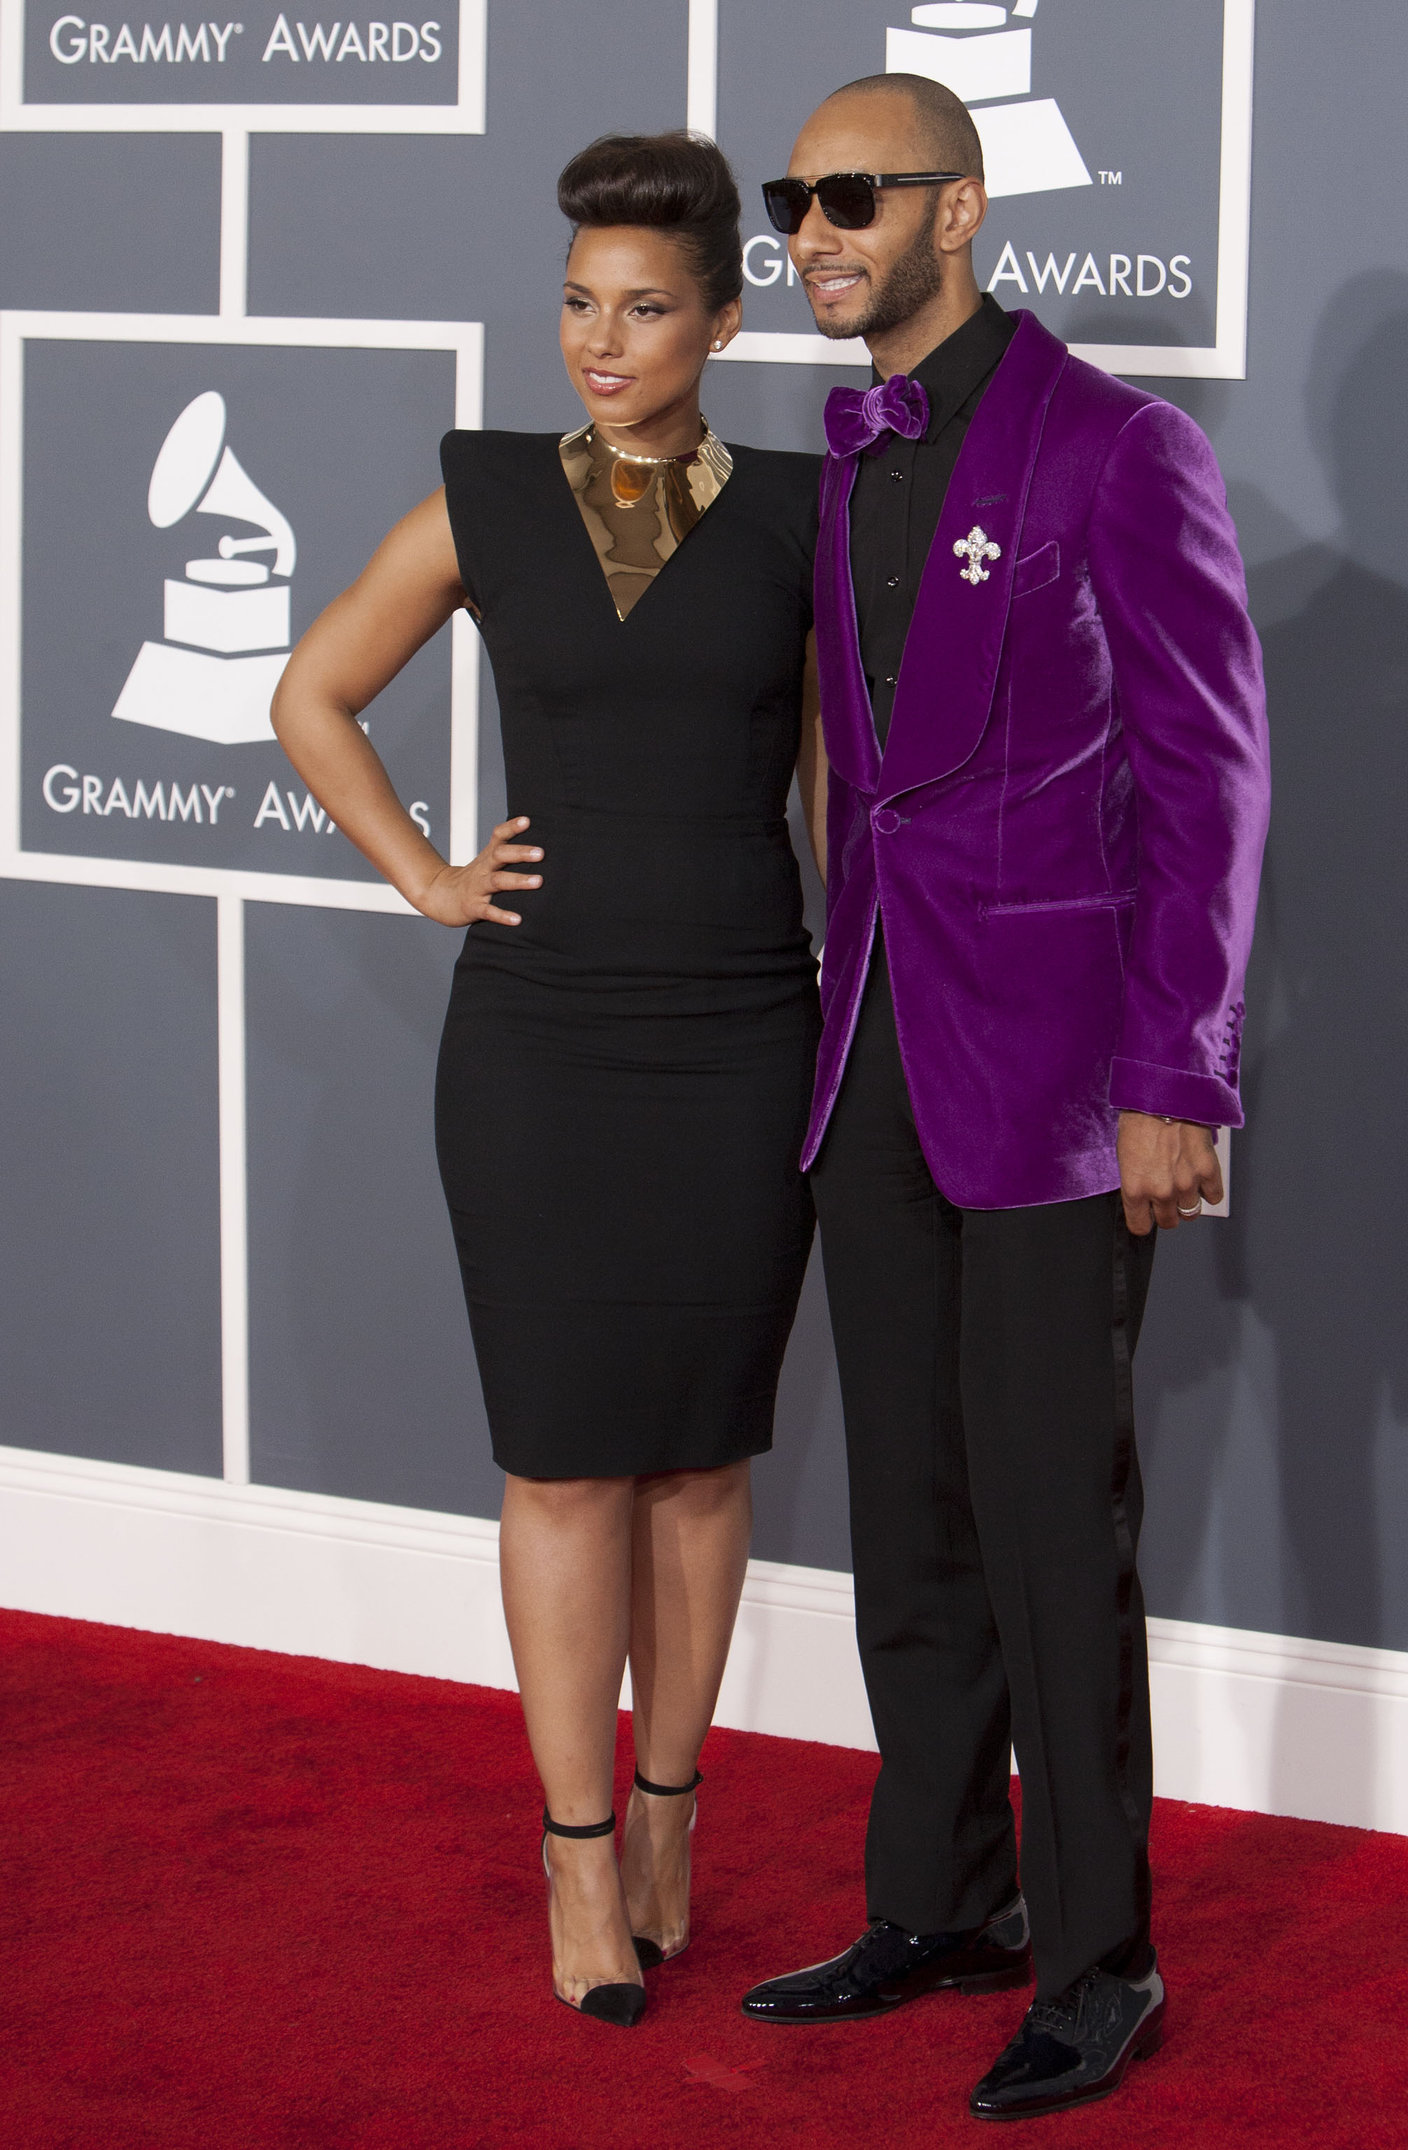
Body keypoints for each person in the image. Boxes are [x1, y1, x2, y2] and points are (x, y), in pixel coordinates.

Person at [739, 75, 1269, 2121]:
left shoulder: (1113, 444)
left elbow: (1209, 789)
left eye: (850, 196)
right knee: (912, 1509)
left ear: (956, 210)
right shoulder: (845, 446)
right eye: (794, 200)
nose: (810, 231)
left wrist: (1176, 1074)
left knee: (1055, 1525)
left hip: (1062, 1078)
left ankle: (1096, 1953)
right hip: (867, 1046)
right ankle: (938, 1898)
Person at [271, 131, 825, 2030]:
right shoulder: (486, 493)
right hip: (541, 1043)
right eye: (580, 303)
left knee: (698, 1462)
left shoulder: (801, 519)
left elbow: (837, 802)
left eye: (645, 306)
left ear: (722, 323)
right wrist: (430, 872)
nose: (602, 337)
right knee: (566, 1457)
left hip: (748, 1030)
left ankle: (672, 1815)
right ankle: (577, 1851)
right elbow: (309, 690)